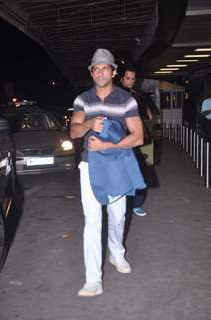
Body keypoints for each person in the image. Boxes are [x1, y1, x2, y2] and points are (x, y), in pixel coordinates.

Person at [70, 48, 144, 297]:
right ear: (91, 73)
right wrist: (90, 124)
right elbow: (74, 132)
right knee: (92, 222)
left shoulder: (126, 100)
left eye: (105, 68)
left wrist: (109, 145)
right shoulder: (83, 99)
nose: (101, 72)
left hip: (116, 165)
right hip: (89, 166)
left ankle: (116, 252)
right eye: (96, 68)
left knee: (118, 215)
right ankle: (93, 280)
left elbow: (138, 137)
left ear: (113, 72)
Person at [120, 65, 154, 217]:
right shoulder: (117, 94)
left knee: (141, 172)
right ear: (121, 79)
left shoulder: (137, 94)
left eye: (133, 79)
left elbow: (150, 116)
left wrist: (145, 102)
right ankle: (124, 204)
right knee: (123, 173)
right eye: (128, 78)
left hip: (140, 138)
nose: (131, 81)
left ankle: (136, 204)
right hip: (123, 139)